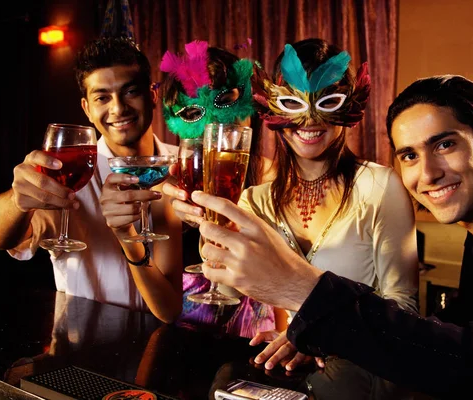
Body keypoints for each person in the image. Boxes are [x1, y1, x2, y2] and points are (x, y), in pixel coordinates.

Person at [191, 74, 473, 397]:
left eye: (444, 144)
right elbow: (447, 341)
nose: (428, 173)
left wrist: (308, 292)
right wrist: (319, 332)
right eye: (409, 156)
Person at [165, 38, 419, 371]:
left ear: (350, 104)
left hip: (358, 378)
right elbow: (225, 290)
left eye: (327, 100)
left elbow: (404, 312)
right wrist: (207, 223)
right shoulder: (255, 200)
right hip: (273, 378)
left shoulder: (379, 187)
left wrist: (321, 332)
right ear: (269, 106)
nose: (309, 121)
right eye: (292, 102)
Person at [0, 36, 183, 323]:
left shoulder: (181, 167)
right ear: (87, 109)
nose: (118, 109)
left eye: (130, 92)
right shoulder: (68, 172)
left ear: (152, 95)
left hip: (165, 347)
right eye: (102, 97)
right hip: (82, 350)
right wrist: (18, 201)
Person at [155, 40, 275, 338]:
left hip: (257, 345)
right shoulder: (175, 184)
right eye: (195, 113)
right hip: (184, 345)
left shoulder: (273, 178)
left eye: (226, 102)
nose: (216, 126)